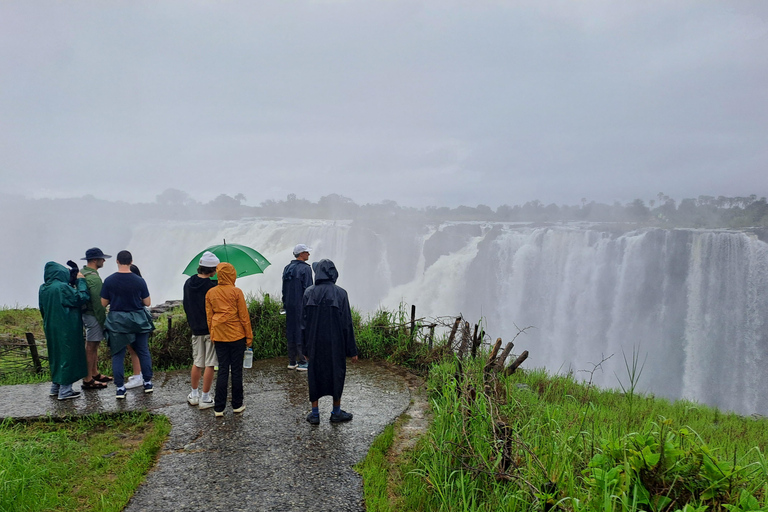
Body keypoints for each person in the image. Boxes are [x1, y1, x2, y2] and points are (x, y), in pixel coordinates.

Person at [302, 259, 358, 425]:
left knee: (314, 375)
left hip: (314, 344)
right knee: (336, 375)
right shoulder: (341, 294)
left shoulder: (308, 293)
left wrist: (304, 349)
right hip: (336, 344)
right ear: (333, 273)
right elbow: (347, 323)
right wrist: (352, 350)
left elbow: (303, 325)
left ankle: (315, 414)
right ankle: (336, 412)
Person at [101, 250, 155, 399]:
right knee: (143, 351)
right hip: (138, 319)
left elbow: (103, 303)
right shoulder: (139, 280)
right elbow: (147, 302)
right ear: (131, 262)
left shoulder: (109, 280)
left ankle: (120, 388)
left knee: (118, 354)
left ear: (117, 261)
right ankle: (148, 382)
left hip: (117, 321)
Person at [206, 262, 252, 417]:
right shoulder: (236, 292)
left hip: (219, 335)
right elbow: (244, 317)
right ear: (231, 274)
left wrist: (213, 334)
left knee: (223, 370)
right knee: (237, 371)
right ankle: (237, 405)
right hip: (237, 335)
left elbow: (209, 317)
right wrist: (249, 336)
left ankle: (219, 408)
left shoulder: (210, 293)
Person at [39, 261, 90, 400]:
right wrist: (80, 282)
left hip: (51, 327)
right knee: (69, 355)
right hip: (67, 327)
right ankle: (65, 391)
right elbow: (81, 298)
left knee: (56, 355)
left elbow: (43, 309)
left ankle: (55, 387)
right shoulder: (61, 287)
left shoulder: (43, 288)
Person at [183, 251, 219, 410]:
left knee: (198, 362)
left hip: (195, 329)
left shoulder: (188, 283)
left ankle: (194, 394)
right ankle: (206, 398)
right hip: (211, 330)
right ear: (213, 270)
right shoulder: (213, 286)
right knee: (210, 363)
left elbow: (186, 305)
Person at [79, 247, 112, 390]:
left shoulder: (83, 273)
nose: (104, 260)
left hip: (86, 313)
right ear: (94, 260)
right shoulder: (93, 278)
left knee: (94, 344)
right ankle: (88, 379)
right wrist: (103, 321)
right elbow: (99, 304)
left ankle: (94, 373)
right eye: (101, 258)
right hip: (93, 315)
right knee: (91, 346)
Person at [282, 243, 313, 371]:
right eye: (307, 252)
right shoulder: (306, 269)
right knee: (301, 330)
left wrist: (285, 303)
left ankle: (292, 361)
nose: (309, 254)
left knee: (291, 330)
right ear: (301, 254)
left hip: (289, 304)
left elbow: (284, 288)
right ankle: (303, 361)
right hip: (301, 305)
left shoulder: (287, 268)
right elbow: (309, 289)